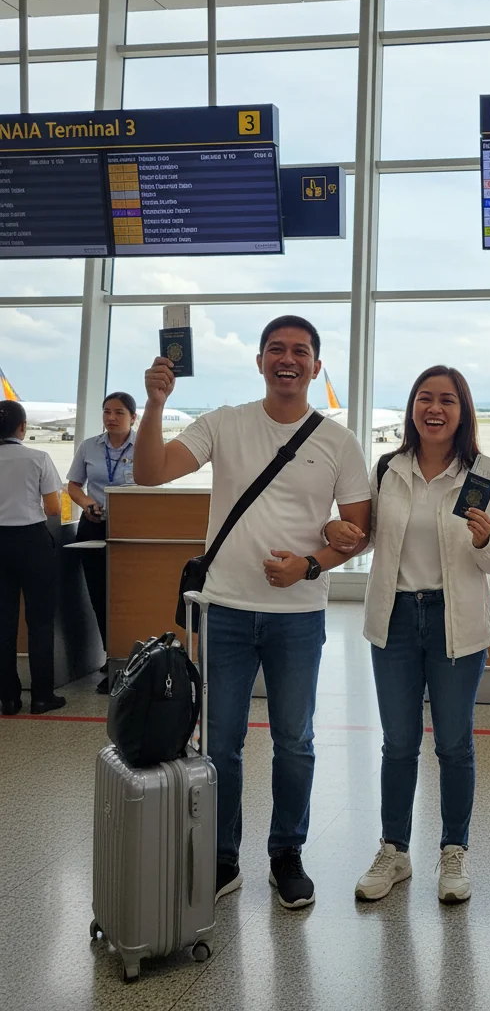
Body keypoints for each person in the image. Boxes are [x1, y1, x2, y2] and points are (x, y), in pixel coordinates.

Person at [133, 314, 371, 911]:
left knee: (295, 741)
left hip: (298, 615)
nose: (287, 359)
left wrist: (309, 566)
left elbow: (359, 533)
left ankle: (286, 854)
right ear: (260, 361)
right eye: (275, 349)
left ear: (316, 366)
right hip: (226, 612)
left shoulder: (337, 441)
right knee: (221, 743)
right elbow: (150, 472)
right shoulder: (225, 423)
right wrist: (155, 403)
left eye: (299, 351)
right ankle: (222, 856)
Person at [340, 366, 490, 906]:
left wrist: (486, 540)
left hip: (455, 621)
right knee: (397, 742)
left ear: (463, 411)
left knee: (455, 744)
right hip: (393, 619)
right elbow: (370, 539)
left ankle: (453, 851)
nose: (434, 409)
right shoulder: (389, 468)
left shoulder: (483, 473)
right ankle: (395, 850)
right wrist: (337, 533)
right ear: (413, 407)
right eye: (424, 399)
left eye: (447, 400)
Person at [67, 391, 137, 694]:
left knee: (127, 598)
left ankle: (132, 660)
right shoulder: (89, 447)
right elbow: (73, 485)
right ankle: (112, 660)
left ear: (133, 418)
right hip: (94, 526)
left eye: (119, 412)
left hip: (132, 530)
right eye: (107, 411)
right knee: (100, 596)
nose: (111, 417)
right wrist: (86, 504)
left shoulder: (145, 446)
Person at [0, 400, 66, 716]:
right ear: (23, 427)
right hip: (32, 542)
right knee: (40, 622)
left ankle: (8, 698)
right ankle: (42, 696)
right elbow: (54, 508)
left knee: (3, 623)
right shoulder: (38, 457)